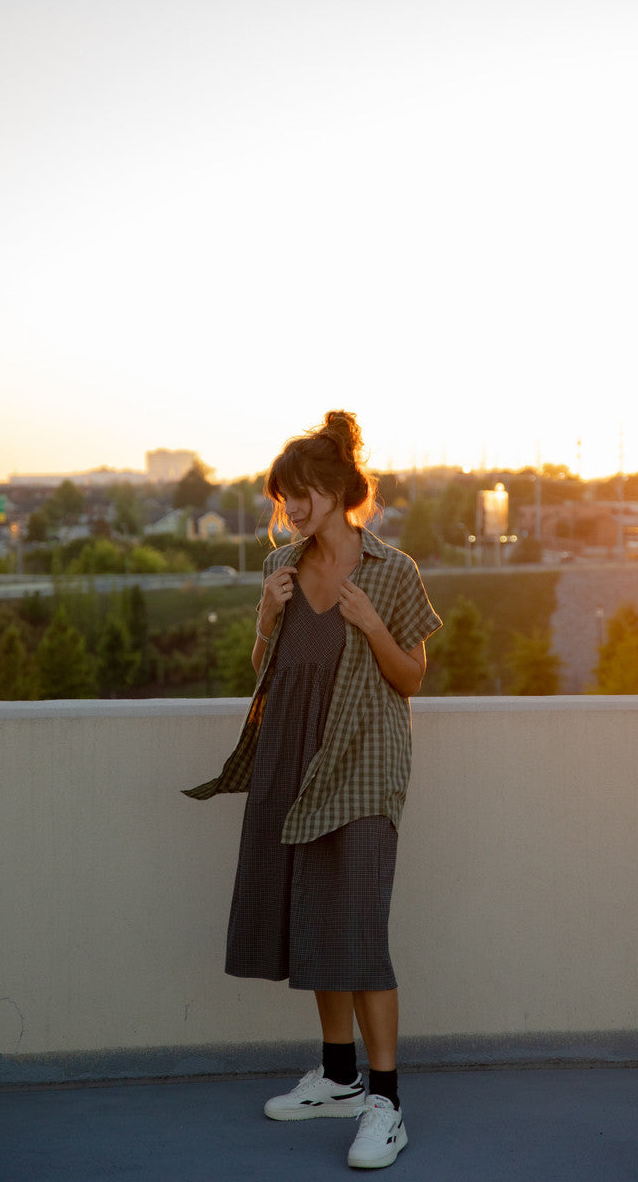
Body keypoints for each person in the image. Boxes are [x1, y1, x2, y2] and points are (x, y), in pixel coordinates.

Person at [183, 411, 441, 1170]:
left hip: (362, 766)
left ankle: (385, 1102)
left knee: (357, 931)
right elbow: (267, 670)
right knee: (314, 921)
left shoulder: (391, 573)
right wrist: (264, 621)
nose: (290, 508)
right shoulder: (280, 571)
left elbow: (411, 679)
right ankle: (336, 1077)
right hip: (290, 761)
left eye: (302, 493)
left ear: (336, 491)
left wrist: (369, 625)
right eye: (282, 495)